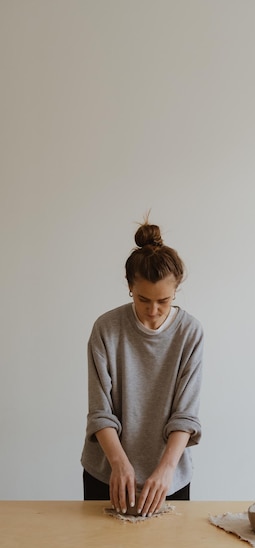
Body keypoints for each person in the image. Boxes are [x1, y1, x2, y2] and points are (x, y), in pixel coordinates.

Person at [81, 217, 203, 517]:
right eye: (142, 299)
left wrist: (165, 471)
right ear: (129, 287)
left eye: (163, 300)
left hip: (168, 479)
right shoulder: (106, 329)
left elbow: (185, 416)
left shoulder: (190, 332)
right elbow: (100, 411)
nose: (152, 310)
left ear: (177, 289)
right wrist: (120, 464)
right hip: (107, 475)